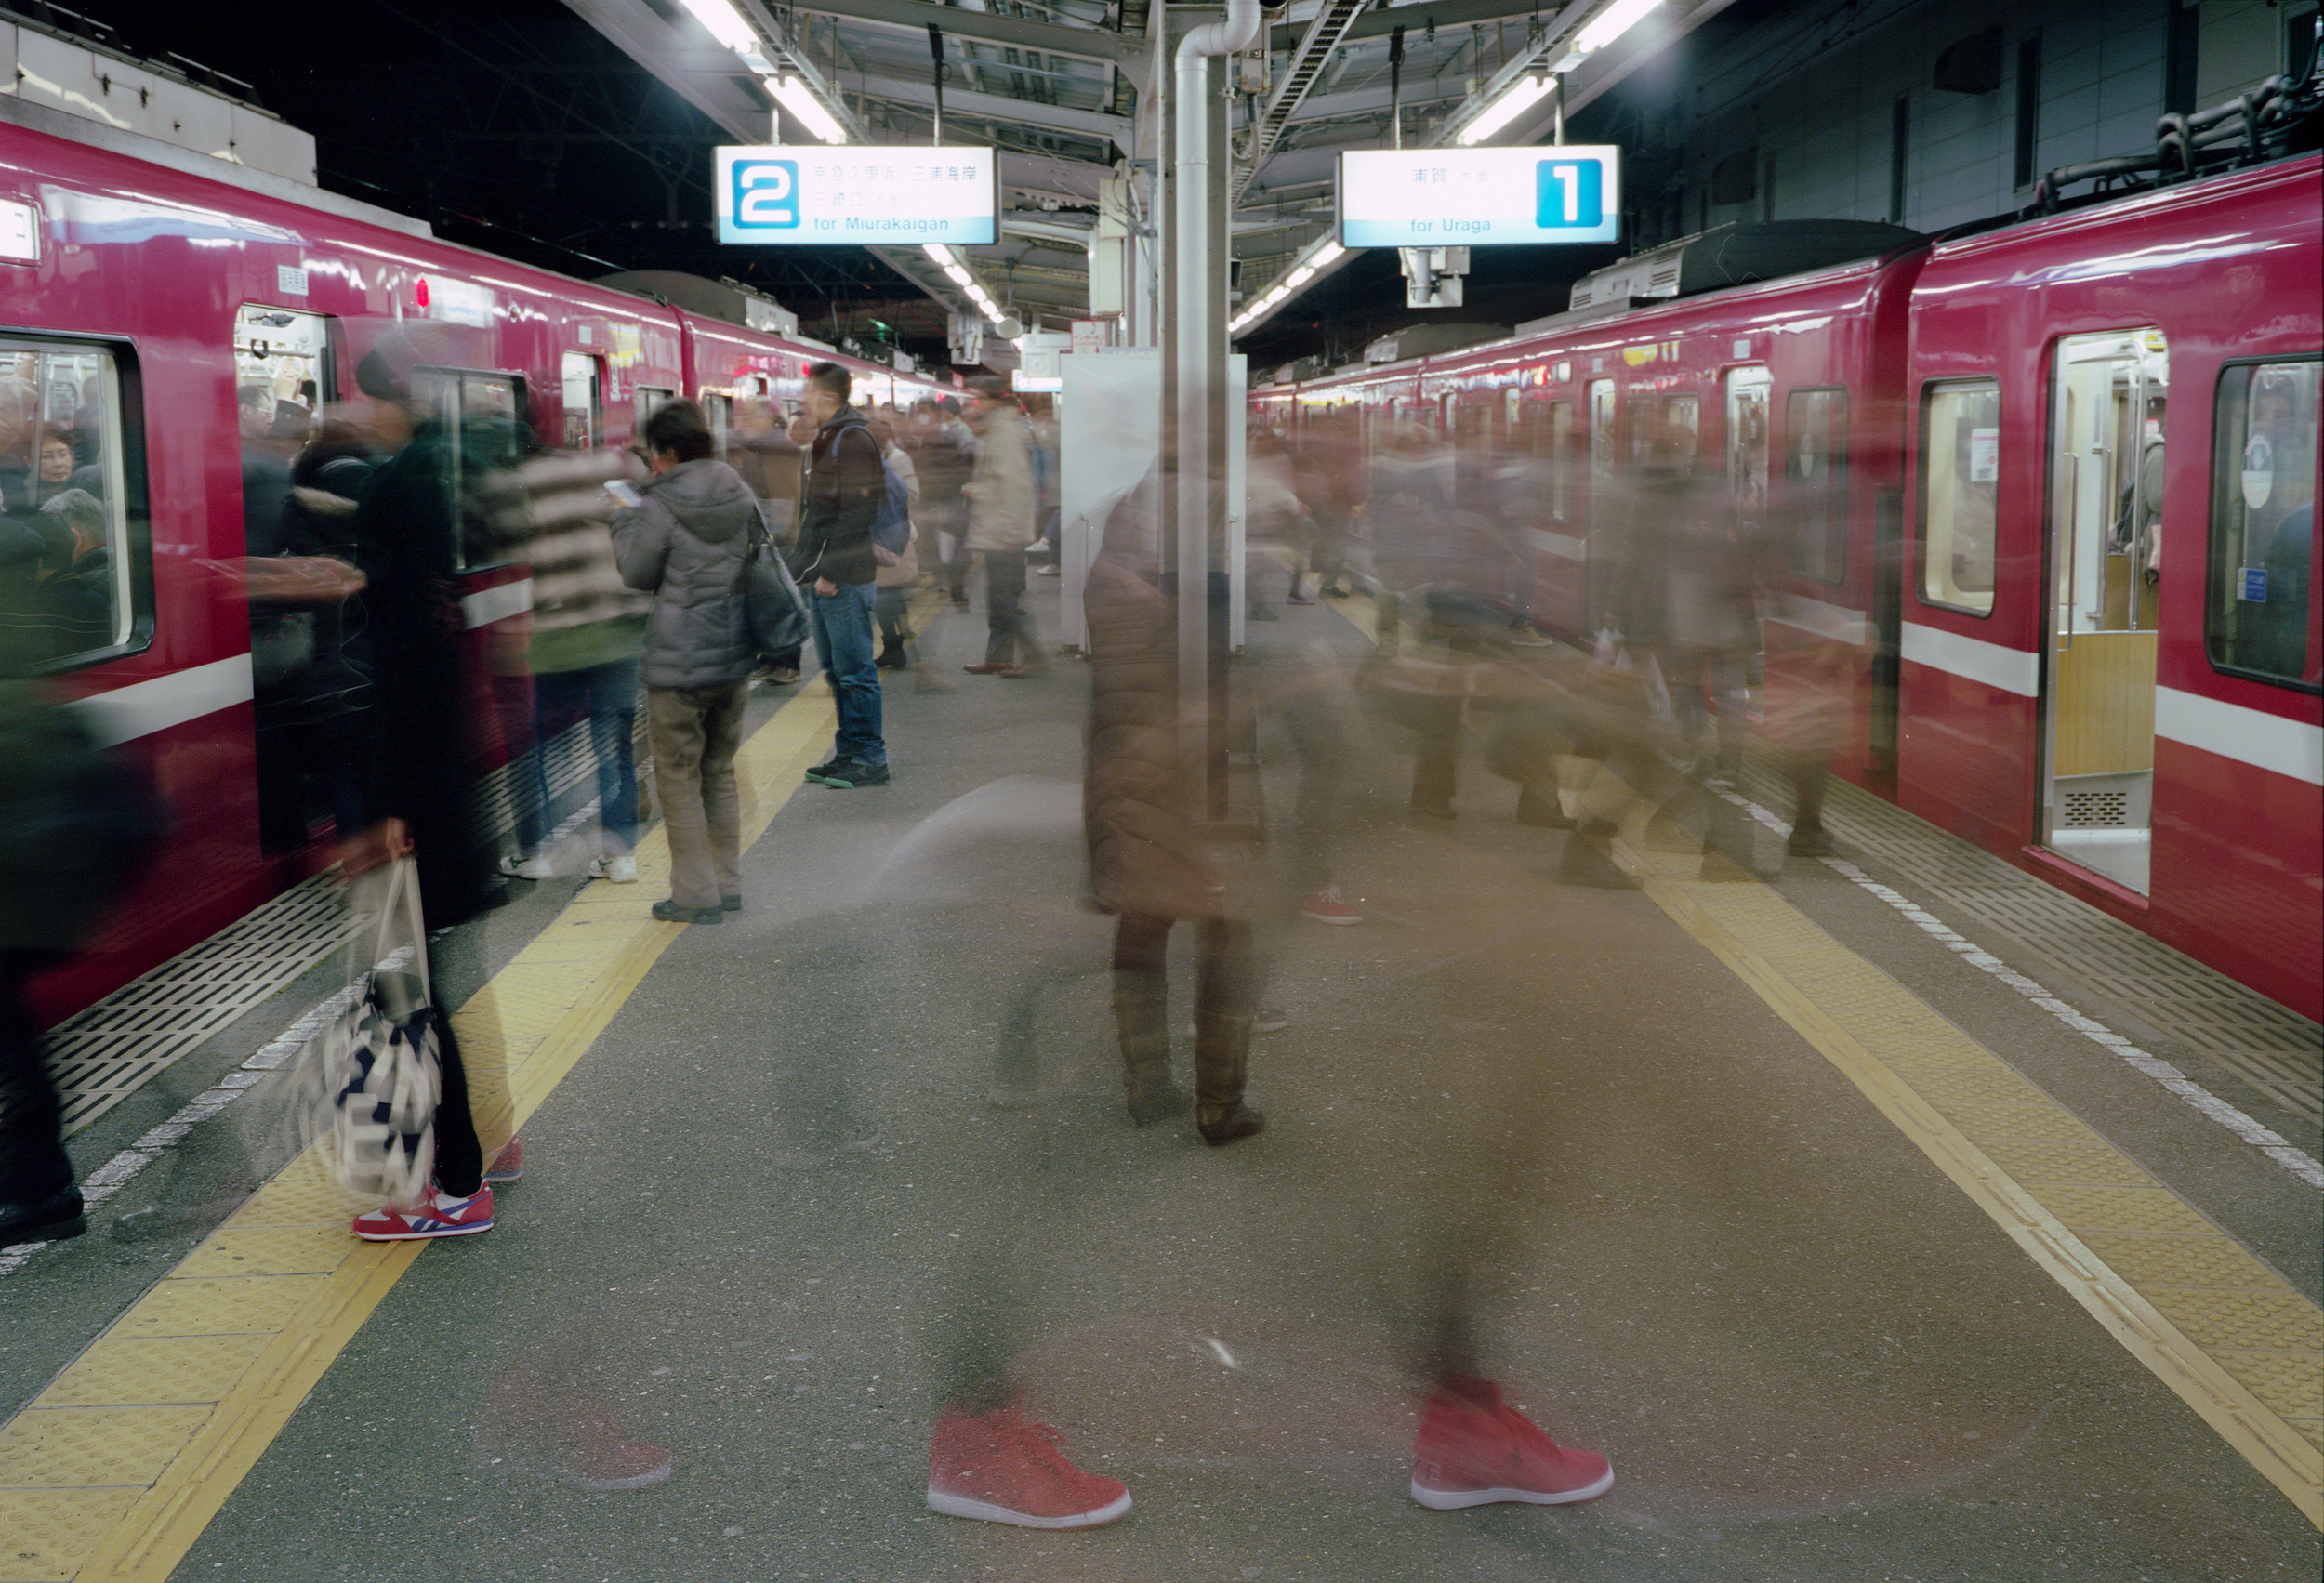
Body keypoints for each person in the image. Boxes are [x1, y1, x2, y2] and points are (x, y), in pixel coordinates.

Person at [333, 322, 518, 1240]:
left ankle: (454, 1182)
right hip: (448, 774)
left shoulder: (400, 487)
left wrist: (385, 810)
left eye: (369, 399)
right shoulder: (451, 478)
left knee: (410, 988)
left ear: (388, 400)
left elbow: (403, 664)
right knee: (440, 971)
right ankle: (488, 1143)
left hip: (419, 784)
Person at [613, 397, 759, 923]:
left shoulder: (659, 502)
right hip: (734, 654)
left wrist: (623, 521)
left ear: (669, 452)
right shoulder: (738, 489)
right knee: (718, 771)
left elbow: (636, 572)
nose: (652, 463)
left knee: (677, 776)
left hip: (679, 664)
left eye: (655, 453)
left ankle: (696, 894)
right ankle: (728, 882)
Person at [499, 446, 648, 884]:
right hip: (618, 637)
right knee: (614, 747)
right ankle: (619, 856)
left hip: (557, 642)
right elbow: (644, 529)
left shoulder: (525, 488)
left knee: (541, 747)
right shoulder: (615, 480)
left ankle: (535, 853)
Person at [792, 363, 891, 788]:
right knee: (835, 671)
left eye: (807, 394)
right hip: (825, 576)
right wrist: (798, 569)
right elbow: (816, 513)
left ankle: (870, 757)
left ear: (828, 399)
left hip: (844, 576)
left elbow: (857, 513)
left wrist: (829, 571)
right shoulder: (827, 438)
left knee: (855, 671)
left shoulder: (852, 441)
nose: (801, 401)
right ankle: (847, 752)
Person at [958, 383, 1046, 679]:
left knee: (1004, 598)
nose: (975, 405)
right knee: (999, 597)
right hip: (998, 529)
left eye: (979, 399)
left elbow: (1014, 487)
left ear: (994, 401)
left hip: (1004, 533)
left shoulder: (1004, 433)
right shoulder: (997, 430)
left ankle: (1033, 656)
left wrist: (1009, 532)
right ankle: (999, 657)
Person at [868, 416, 922, 673]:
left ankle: (896, 649)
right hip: (879, 534)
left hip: (893, 534)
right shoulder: (870, 460)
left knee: (888, 594)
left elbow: (913, 494)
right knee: (885, 595)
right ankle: (893, 648)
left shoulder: (898, 459)